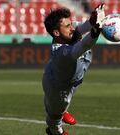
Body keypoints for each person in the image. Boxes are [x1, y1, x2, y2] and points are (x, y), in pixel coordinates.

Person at [42, 4, 105, 135]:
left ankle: (61, 112)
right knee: (54, 116)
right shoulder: (62, 53)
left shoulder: (67, 31)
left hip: (67, 77)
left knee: (57, 107)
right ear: (56, 33)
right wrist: (95, 31)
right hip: (59, 88)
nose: (72, 28)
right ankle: (55, 131)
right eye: (68, 26)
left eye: (71, 24)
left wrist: (93, 21)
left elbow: (82, 27)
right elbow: (83, 45)